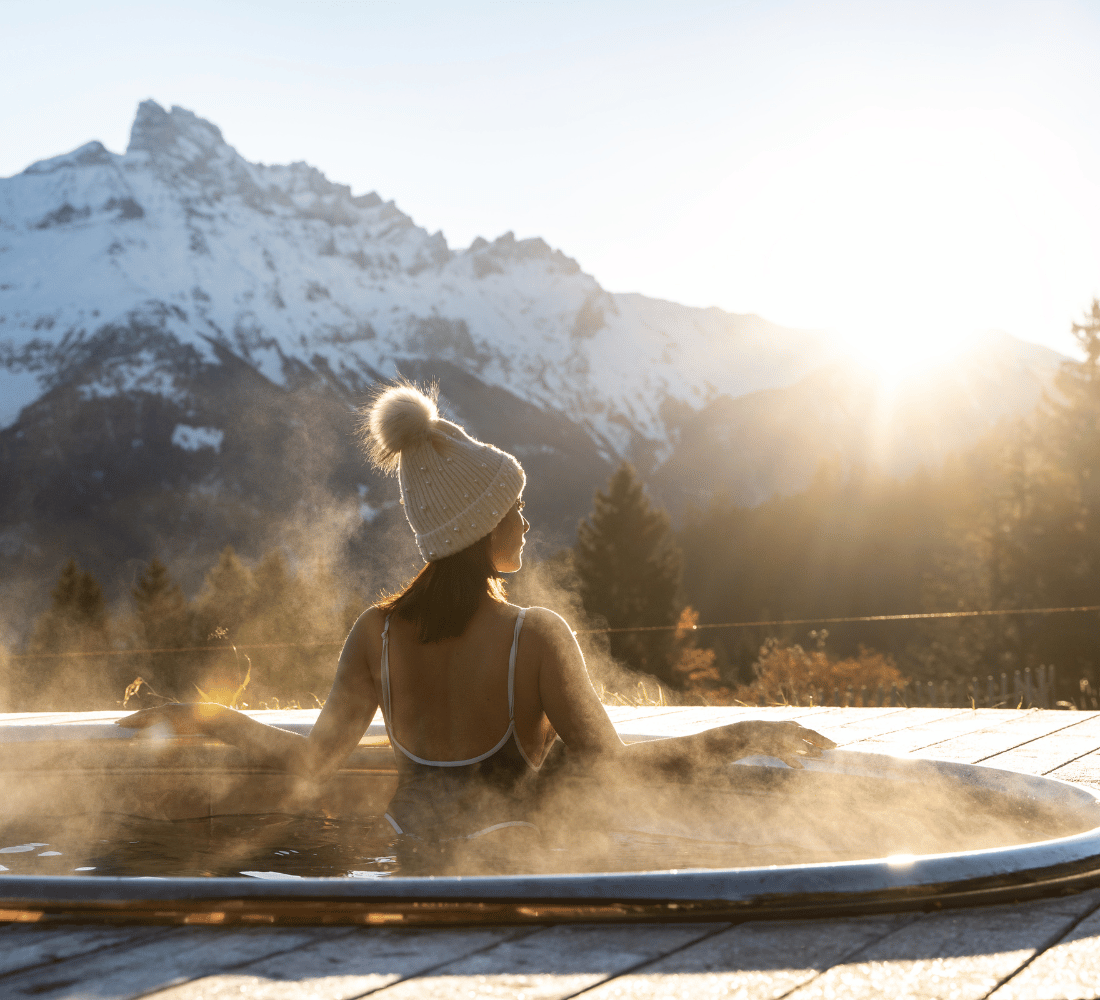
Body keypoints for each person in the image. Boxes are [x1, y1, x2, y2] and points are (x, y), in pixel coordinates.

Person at [119, 383, 834, 854]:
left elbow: (308, 762)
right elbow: (616, 771)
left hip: (411, 884)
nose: (524, 521)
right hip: (510, 886)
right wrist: (746, 731)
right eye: (510, 509)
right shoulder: (536, 637)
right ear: (477, 528)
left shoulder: (378, 632)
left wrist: (206, 717)